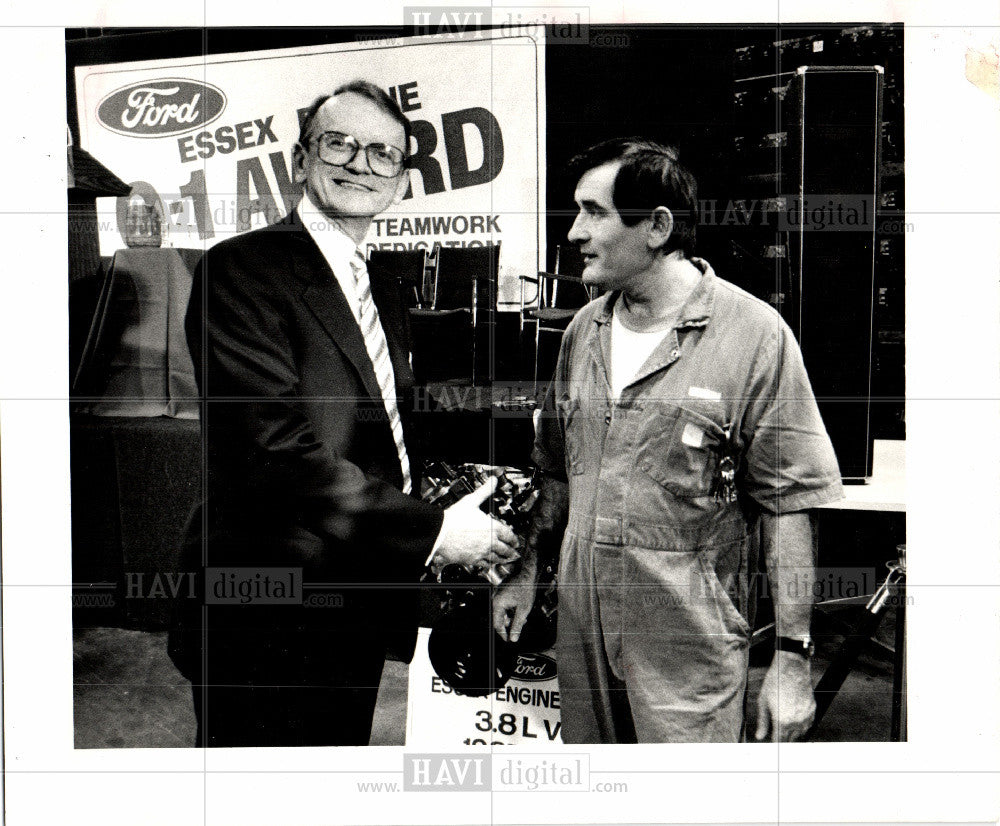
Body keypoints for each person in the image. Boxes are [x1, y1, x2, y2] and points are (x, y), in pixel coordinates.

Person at [169, 80, 518, 747]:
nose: (361, 163)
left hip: (352, 601)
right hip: (265, 616)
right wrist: (436, 531)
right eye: (340, 143)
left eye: (384, 153)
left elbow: (381, 423)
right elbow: (274, 453)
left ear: (401, 180)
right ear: (302, 161)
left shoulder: (378, 279)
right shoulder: (239, 270)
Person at [493, 137, 844, 743]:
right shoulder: (584, 330)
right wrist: (527, 571)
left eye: (593, 212)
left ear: (657, 226)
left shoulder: (755, 335)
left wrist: (791, 662)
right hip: (582, 639)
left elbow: (791, 505)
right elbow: (555, 470)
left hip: (687, 648)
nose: (575, 233)